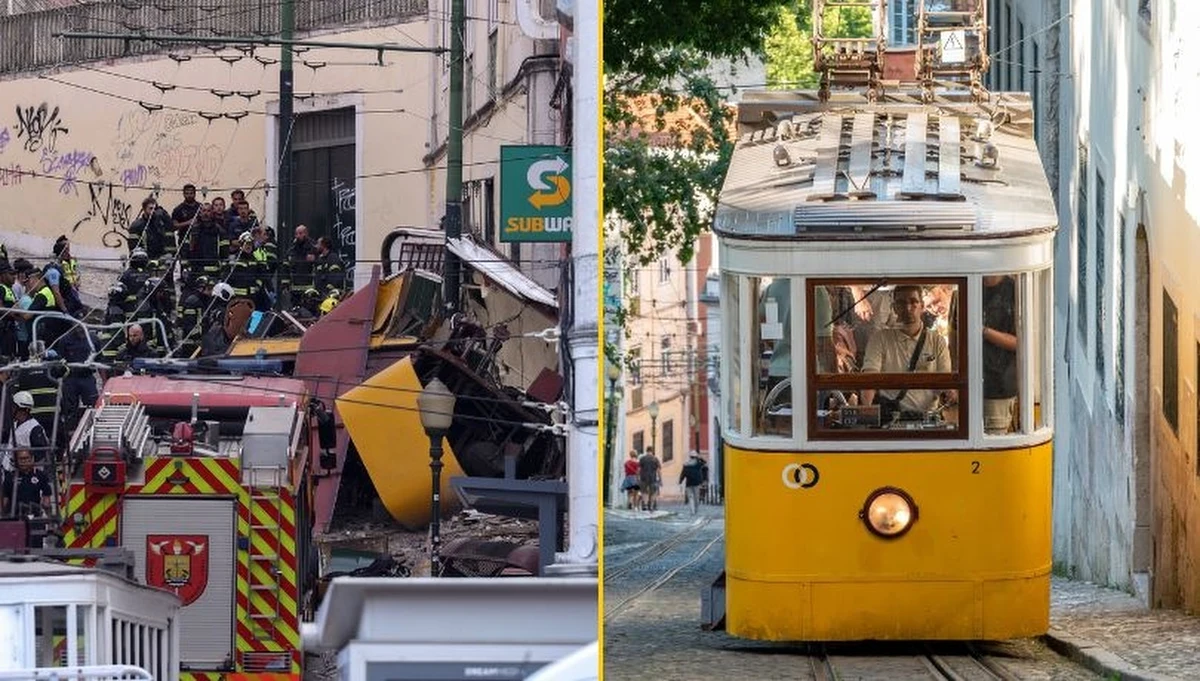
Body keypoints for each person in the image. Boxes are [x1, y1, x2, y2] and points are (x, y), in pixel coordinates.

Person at [860, 284, 953, 420]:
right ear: (894, 308)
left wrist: (949, 393)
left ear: (922, 306)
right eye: (901, 303)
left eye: (913, 302)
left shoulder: (937, 341)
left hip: (927, 419)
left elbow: (946, 381)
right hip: (891, 418)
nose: (908, 308)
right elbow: (869, 378)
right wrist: (866, 414)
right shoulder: (880, 339)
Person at [982, 275, 1018, 433]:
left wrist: (984, 331)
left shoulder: (1014, 290)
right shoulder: (967, 284)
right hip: (968, 386)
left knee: (993, 439)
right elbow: (955, 335)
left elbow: (1021, 343)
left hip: (998, 387)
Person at [4, 391, 48, 472]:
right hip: (11, 469)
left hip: (28, 473)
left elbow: (40, 453)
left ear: (21, 409)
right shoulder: (15, 424)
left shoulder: (34, 428)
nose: (11, 409)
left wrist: (22, 460)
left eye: (14, 407)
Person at [1, 449, 52, 519]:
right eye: (21, 459)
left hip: (35, 517)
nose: (23, 461)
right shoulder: (10, 477)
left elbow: (46, 501)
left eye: (26, 458)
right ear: (16, 461)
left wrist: (48, 519)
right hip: (15, 517)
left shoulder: (41, 476)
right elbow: (4, 501)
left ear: (32, 458)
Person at [637, 447, 662, 512]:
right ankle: (651, 504)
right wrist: (660, 479)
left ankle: (645, 504)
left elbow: (638, 469)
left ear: (646, 451)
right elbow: (658, 470)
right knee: (654, 492)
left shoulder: (642, 459)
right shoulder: (655, 459)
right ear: (652, 451)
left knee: (644, 491)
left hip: (643, 477)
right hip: (653, 478)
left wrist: (637, 477)